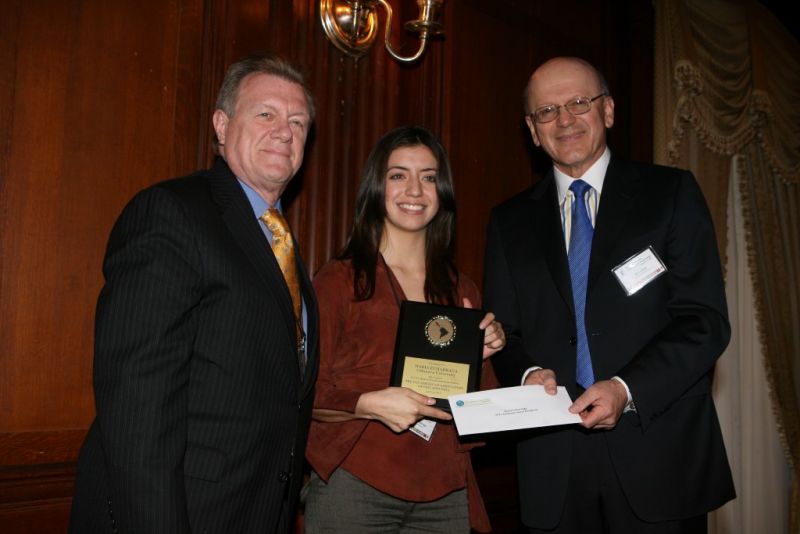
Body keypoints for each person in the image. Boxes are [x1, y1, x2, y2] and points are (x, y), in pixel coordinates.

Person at [483, 57, 735, 533]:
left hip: (658, 453)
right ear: (532, 131)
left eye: (579, 102)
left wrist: (625, 388)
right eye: (546, 111)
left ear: (609, 110)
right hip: (553, 463)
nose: (564, 120)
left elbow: (703, 321)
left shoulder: (671, 193)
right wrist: (530, 371)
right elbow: (505, 332)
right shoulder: (508, 222)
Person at [69, 53, 319, 533]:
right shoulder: (172, 213)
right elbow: (136, 408)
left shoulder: (279, 241)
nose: (284, 130)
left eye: (298, 121)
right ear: (222, 126)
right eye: (265, 113)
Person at [303, 126, 504, 533]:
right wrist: (369, 404)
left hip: (445, 491)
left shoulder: (461, 288)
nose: (415, 189)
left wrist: (484, 354)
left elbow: (479, 409)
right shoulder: (340, 280)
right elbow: (304, 391)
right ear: (376, 187)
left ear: (441, 191)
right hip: (357, 484)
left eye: (428, 177)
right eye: (398, 175)